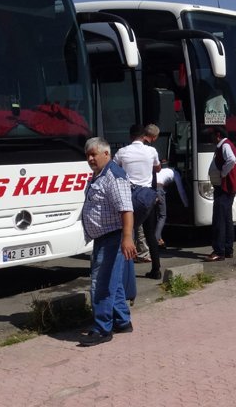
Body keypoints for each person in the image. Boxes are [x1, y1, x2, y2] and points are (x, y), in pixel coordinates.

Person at [79, 137, 137, 346]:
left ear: (106, 153)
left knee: (102, 284)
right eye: (87, 155)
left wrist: (127, 238)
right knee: (114, 281)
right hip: (103, 238)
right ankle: (122, 321)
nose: (90, 158)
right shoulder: (99, 175)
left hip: (113, 237)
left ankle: (103, 329)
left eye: (94, 154)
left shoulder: (114, 176)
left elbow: (126, 209)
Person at [114, 124, 163, 280]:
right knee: (150, 234)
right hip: (147, 197)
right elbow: (158, 168)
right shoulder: (151, 151)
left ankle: (126, 274)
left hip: (128, 197)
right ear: (144, 136)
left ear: (130, 137)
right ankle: (156, 269)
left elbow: (113, 170)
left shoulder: (122, 152)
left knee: (128, 234)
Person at [206, 127, 236, 261]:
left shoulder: (224, 146)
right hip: (227, 186)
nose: (210, 138)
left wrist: (223, 173)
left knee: (219, 219)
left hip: (224, 187)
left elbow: (232, 160)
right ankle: (228, 249)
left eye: (212, 135)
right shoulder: (228, 145)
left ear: (217, 135)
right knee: (226, 218)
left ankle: (219, 251)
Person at [154, 167, 189, 249]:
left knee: (156, 216)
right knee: (162, 216)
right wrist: (186, 204)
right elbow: (181, 190)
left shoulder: (164, 170)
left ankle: (159, 239)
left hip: (150, 189)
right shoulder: (176, 173)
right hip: (159, 189)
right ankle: (155, 239)